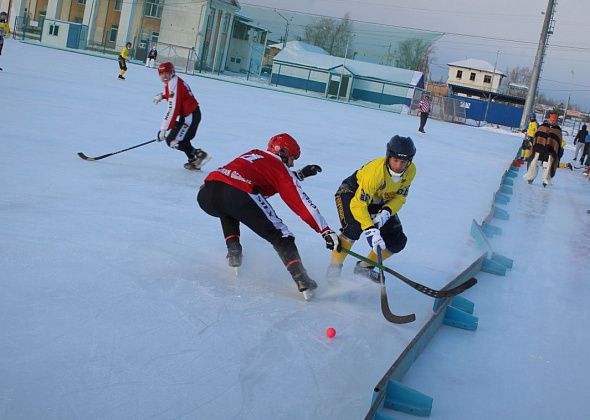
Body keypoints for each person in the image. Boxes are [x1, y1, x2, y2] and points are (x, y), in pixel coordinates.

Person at [197, 133, 339, 300]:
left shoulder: (255, 154)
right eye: (292, 158)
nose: (292, 163)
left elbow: (269, 178)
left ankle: (234, 251)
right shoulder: (279, 168)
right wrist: (324, 230)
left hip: (207, 192)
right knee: (282, 235)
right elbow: (300, 202)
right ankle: (302, 279)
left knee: (228, 209)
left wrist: (300, 174)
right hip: (238, 193)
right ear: (282, 152)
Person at [327, 135, 416, 281]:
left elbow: (400, 197)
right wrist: (370, 229)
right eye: (395, 160)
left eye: (403, 162)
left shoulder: (411, 171)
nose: (399, 166)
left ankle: (365, 267)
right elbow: (358, 204)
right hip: (351, 194)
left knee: (397, 241)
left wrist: (386, 213)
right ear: (388, 157)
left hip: (380, 201)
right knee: (353, 228)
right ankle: (334, 269)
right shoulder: (375, 172)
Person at [153, 62, 209, 170]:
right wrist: (162, 96)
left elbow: (172, 108)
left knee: (172, 141)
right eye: (161, 73)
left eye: (167, 72)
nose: (164, 76)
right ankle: (195, 159)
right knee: (179, 139)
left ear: (172, 72)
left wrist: (163, 129)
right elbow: (174, 94)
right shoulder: (173, 82)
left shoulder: (173, 84)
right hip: (190, 115)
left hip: (190, 116)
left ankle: (199, 155)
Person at [523, 113, 563, 187]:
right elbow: (537, 135)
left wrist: (558, 149)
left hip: (549, 151)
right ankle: (531, 177)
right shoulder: (542, 126)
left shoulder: (558, 130)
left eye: (554, 120)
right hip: (539, 148)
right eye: (551, 120)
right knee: (536, 162)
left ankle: (545, 180)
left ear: (556, 121)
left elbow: (558, 141)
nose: (552, 121)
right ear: (549, 119)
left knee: (547, 165)